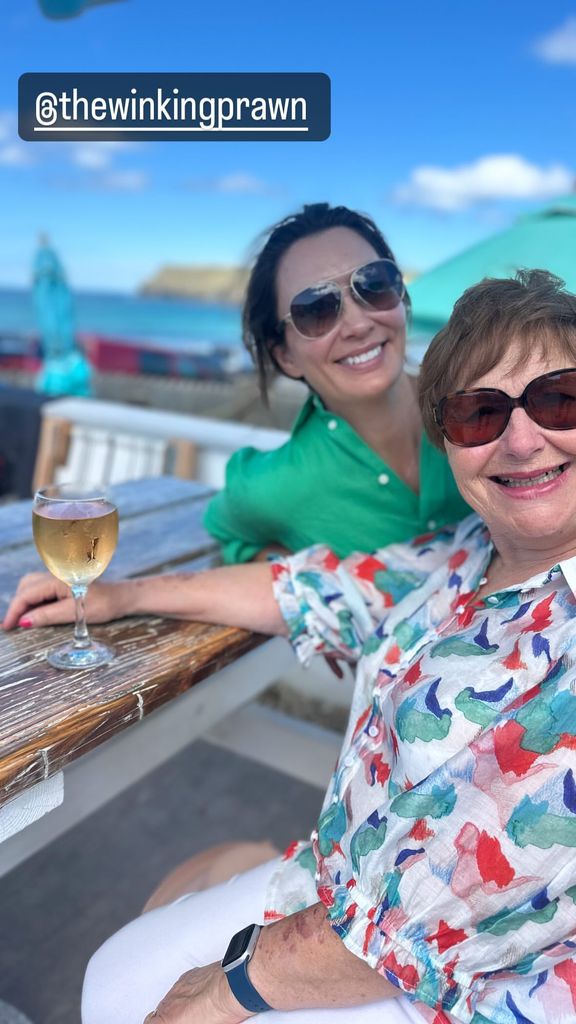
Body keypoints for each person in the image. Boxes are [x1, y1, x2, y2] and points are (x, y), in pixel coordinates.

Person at [4, 269, 576, 1024]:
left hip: (459, 986)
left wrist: (226, 988)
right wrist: (121, 596)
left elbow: (435, 915)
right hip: (340, 885)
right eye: (478, 414)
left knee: (122, 992)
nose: (522, 438)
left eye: (559, 398)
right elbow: (310, 586)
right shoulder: (465, 552)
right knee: (119, 973)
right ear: (449, 441)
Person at [204, 204, 470, 562]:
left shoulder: (480, 407)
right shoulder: (279, 485)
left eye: (374, 285)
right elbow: (223, 527)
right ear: (285, 355)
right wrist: (283, 565)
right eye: (316, 309)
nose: (358, 325)